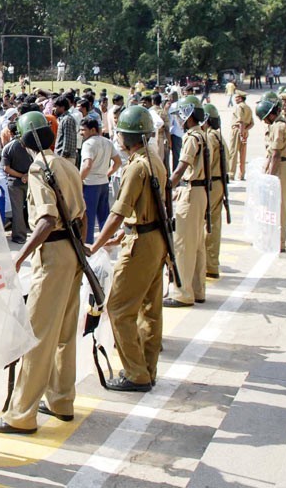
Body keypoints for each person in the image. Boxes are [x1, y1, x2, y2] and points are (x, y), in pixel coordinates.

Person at [0, 111, 85, 435]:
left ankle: (21, 414)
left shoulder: (37, 168)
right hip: (73, 253)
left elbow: (45, 220)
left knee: (37, 334)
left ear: (23, 139)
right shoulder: (67, 164)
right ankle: (61, 399)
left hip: (55, 254)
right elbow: (81, 216)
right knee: (64, 333)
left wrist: (20, 256)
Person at [85, 106, 168, 391]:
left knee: (119, 307)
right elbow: (150, 207)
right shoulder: (154, 160)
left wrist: (95, 245)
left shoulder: (136, 166)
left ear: (127, 135)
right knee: (150, 309)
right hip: (155, 238)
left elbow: (118, 212)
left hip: (141, 244)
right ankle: (147, 367)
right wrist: (121, 236)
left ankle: (135, 374)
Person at [166, 96, 209, 308]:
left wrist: (166, 188)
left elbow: (181, 168)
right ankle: (198, 288)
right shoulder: (203, 134)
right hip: (200, 191)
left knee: (183, 245)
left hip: (191, 192)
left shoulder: (192, 138)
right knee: (197, 244)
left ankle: (183, 293)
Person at [259, 98, 286, 252]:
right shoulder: (277, 125)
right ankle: (270, 238)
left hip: (281, 166)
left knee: (278, 205)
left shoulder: (279, 127)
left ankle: (279, 242)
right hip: (279, 165)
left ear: (269, 115)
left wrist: (270, 178)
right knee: (270, 204)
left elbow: (276, 154)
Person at [80, 118, 117, 243]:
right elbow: (117, 162)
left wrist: (78, 181)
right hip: (103, 183)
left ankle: (88, 244)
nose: (81, 133)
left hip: (90, 184)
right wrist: (107, 174)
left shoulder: (88, 144)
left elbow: (87, 165)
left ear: (93, 130)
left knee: (88, 217)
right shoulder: (107, 142)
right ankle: (108, 241)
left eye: (83, 130)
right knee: (104, 214)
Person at [202, 104, 227, 280]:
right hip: (219, 182)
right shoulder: (217, 135)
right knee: (214, 224)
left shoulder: (210, 137)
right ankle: (211, 263)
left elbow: (206, 163)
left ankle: (208, 264)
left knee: (207, 225)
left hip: (211, 183)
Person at [1, 122, 32, 244]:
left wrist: (21, 176)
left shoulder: (8, 148)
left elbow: (6, 168)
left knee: (17, 210)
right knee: (33, 207)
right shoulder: (29, 145)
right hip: (30, 180)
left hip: (15, 183)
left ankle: (19, 237)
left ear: (10, 132)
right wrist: (27, 176)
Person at [227, 90, 253, 181]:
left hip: (237, 130)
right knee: (243, 154)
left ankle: (231, 173)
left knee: (233, 152)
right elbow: (252, 123)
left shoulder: (239, 107)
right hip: (245, 130)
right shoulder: (248, 108)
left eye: (237, 97)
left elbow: (241, 121)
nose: (235, 99)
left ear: (241, 98)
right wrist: (245, 130)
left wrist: (241, 133)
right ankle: (241, 174)